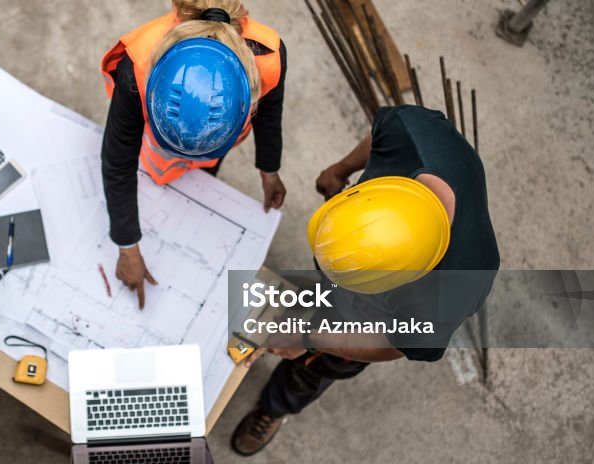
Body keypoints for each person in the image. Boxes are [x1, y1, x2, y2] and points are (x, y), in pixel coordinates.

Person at [230, 105, 501, 456]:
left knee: (317, 366)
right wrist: (342, 169)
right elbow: (379, 136)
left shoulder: (448, 294)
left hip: (370, 318)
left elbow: (392, 344)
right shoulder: (412, 132)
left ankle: (275, 408)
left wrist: (313, 341)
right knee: (317, 297)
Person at [100, 0, 288, 308]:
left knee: (201, 178)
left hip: (216, 144)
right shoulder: (137, 69)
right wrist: (127, 246)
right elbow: (118, 161)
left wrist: (269, 169)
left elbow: (269, 115)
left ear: (247, 101)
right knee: (158, 174)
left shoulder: (269, 56)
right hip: (158, 153)